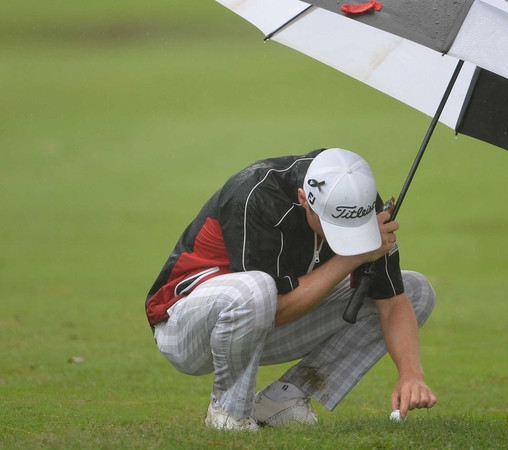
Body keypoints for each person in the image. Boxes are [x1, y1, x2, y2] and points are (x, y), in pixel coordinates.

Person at [144, 148, 437, 431]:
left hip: (256, 327)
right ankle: (228, 411)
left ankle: (280, 402)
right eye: (333, 227)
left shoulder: (358, 200)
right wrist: (356, 255)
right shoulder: (255, 194)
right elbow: (278, 309)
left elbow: (394, 303)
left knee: (415, 291)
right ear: (303, 199)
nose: (343, 238)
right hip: (186, 328)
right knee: (258, 288)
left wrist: (411, 374)